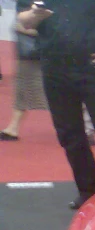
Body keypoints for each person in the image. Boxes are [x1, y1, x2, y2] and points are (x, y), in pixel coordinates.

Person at [18, 0, 95, 210]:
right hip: (54, 68)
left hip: (93, 65)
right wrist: (36, 14)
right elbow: (24, 21)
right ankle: (88, 190)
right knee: (69, 134)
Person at [0, 6, 48, 142]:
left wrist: (20, 27)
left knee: (68, 87)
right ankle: (13, 127)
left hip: (50, 48)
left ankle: (85, 127)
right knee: (22, 86)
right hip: (30, 52)